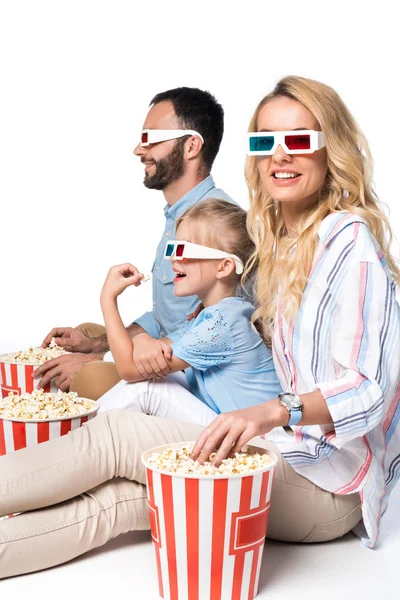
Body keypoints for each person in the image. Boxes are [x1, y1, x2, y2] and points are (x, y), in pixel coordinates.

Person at [1, 76, 399, 579]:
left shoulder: (350, 244)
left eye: (299, 140)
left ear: (330, 147)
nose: (280, 156)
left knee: (119, 437)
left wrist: (272, 412)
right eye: (264, 142)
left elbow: (369, 391)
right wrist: (106, 343)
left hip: (323, 479)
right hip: (279, 450)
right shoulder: (277, 238)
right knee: (123, 502)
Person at [34, 87, 234, 398]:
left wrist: (101, 359)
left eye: (151, 139)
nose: (139, 151)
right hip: (164, 351)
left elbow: (217, 328)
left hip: (192, 374)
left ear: (192, 145)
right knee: (87, 330)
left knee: (83, 377)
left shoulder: (218, 223)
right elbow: (165, 317)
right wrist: (95, 346)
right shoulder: (177, 217)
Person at [97, 199, 281, 425]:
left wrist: (108, 299)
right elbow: (141, 357)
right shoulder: (208, 317)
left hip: (259, 439)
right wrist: (144, 338)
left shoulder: (222, 322)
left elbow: (130, 369)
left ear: (224, 266)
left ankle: (77, 433)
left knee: (147, 387)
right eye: (172, 248)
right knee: (157, 375)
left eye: (183, 249)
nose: (173, 257)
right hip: (233, 426)